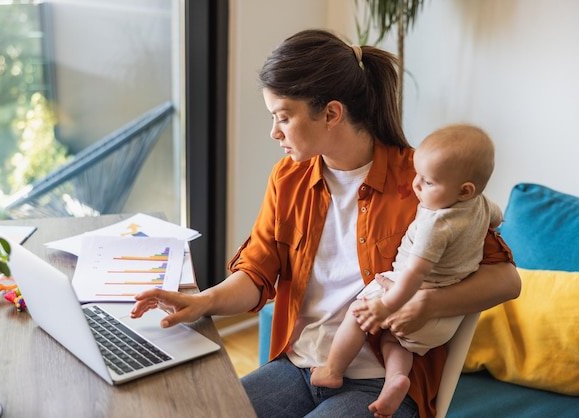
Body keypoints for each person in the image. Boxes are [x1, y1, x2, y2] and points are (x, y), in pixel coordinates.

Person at [130, 29, 520, 418]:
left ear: (332, 113)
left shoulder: (424, 182)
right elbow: (257, 273)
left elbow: (506, 280)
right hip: (300, 367)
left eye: (283, 117)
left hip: (385, 383)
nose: (274, 132)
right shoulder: (289, 178)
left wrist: (426, 302)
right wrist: (203, 302)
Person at [310, 124, 503, 417]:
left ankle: (332, 369)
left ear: (464, 191)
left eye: (427, 182)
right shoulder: (481, 205)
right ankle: (395, 380)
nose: (415, 185)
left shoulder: (436, 224)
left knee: (358, 313)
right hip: (445, 320)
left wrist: (385, 306)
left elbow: (414, 274)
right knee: (394, 342)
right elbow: (497, 217)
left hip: (413, 294)